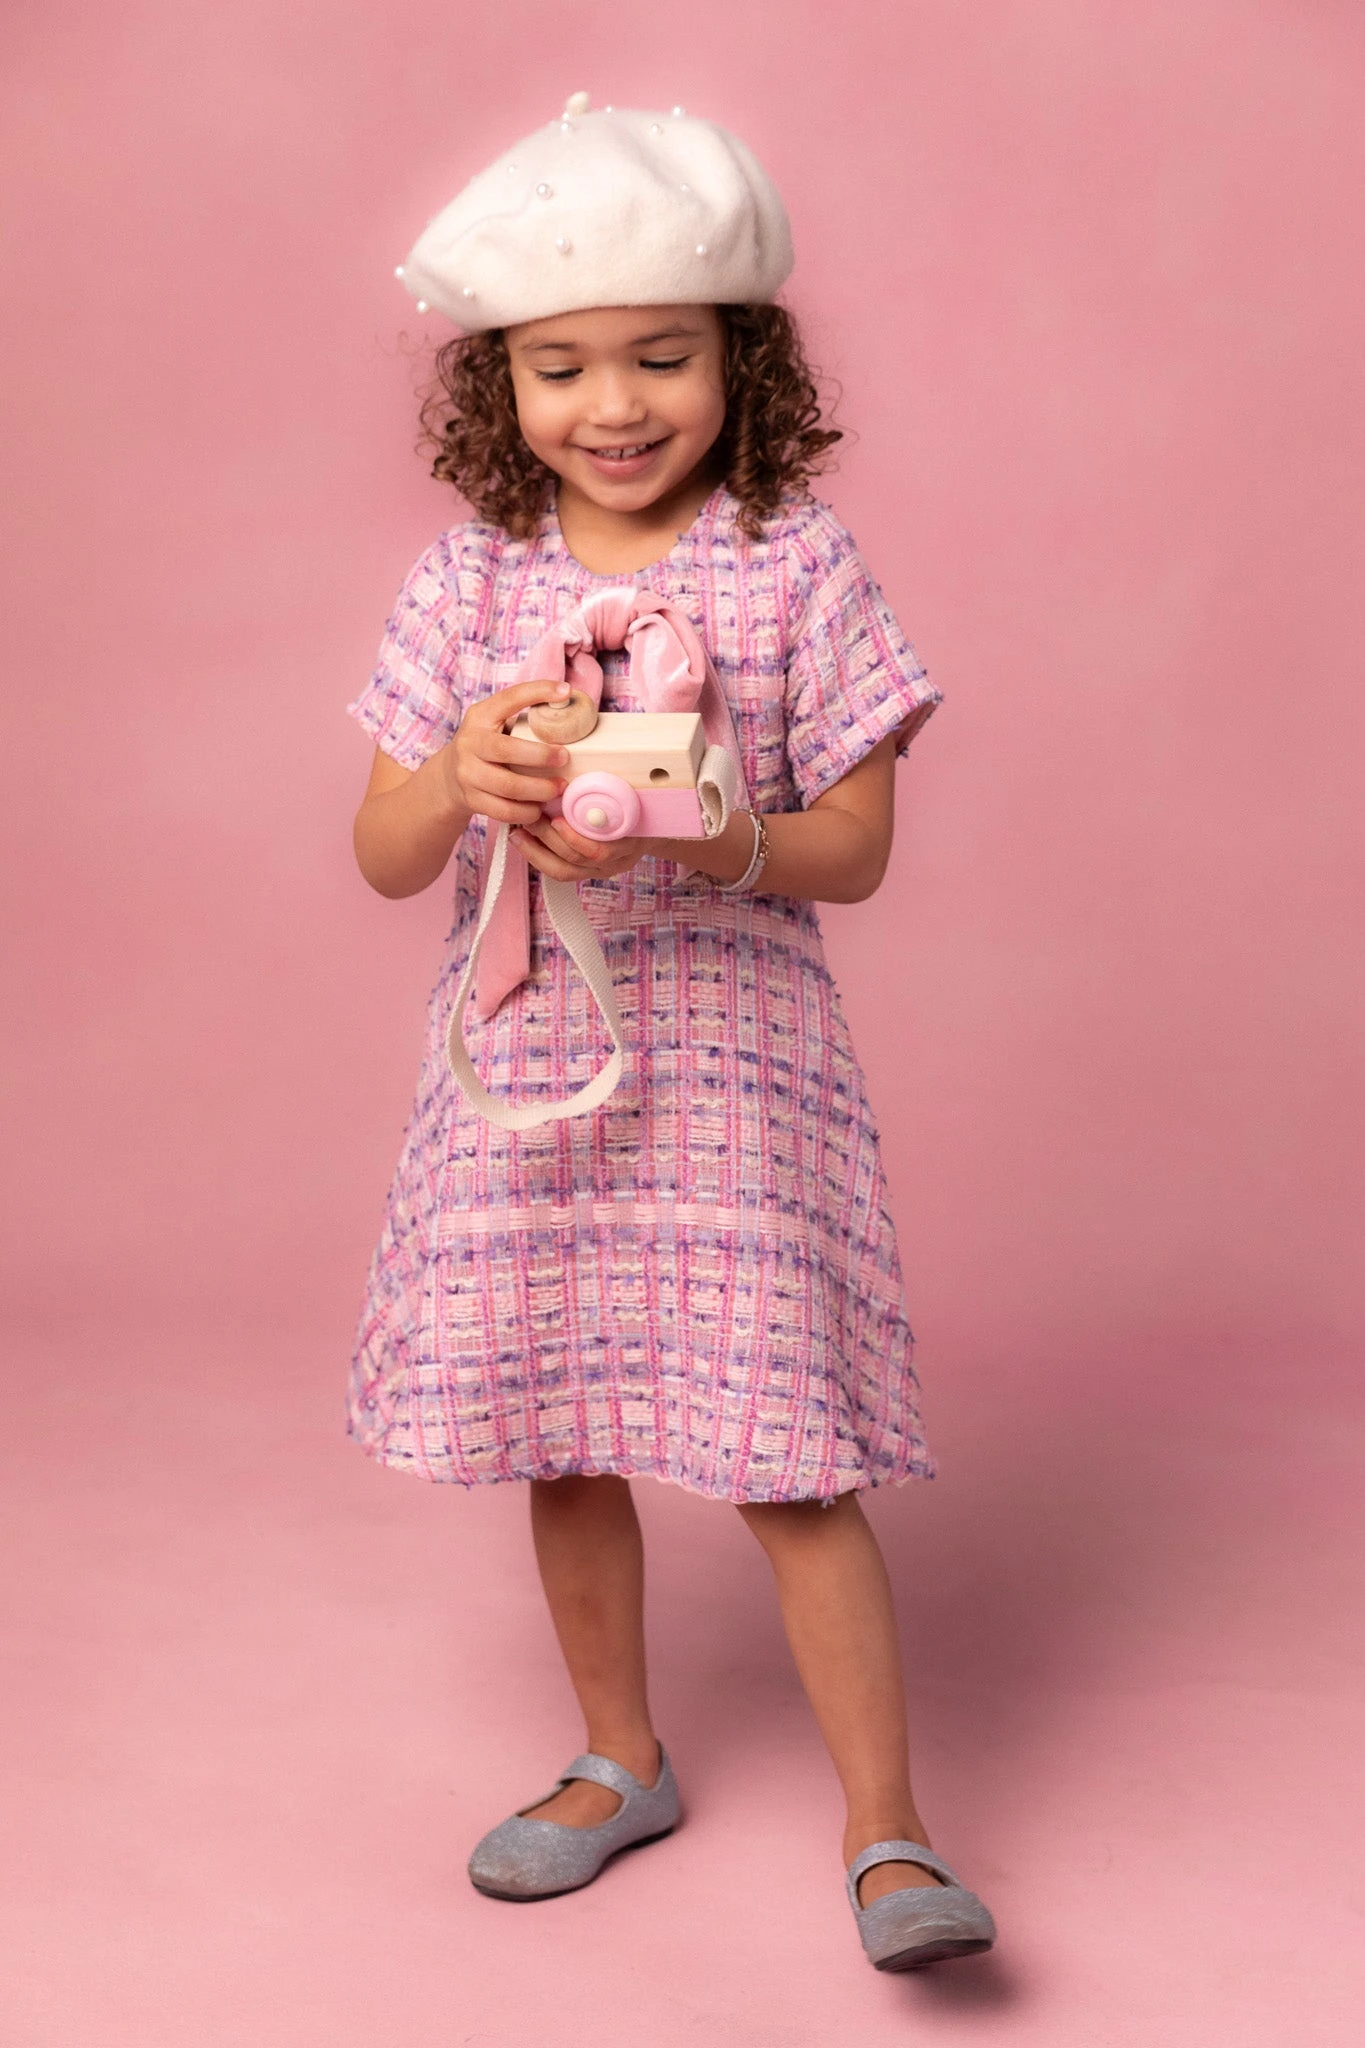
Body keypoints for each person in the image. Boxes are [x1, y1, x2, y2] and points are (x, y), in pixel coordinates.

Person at [347, 93, 996, 1972]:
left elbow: (855, 850)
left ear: (740, 360)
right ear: (501, 383)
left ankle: (889, 1827)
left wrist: (718, 833)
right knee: (562, 1422)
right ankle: (618, 1756)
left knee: (791, 1456)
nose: (613, 404)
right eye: (560, 367)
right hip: (529, 1065)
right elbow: (384, 853)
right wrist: (465, 775)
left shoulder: (798, 564)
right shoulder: (466, 580)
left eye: (661, 356)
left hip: (736, 1071)